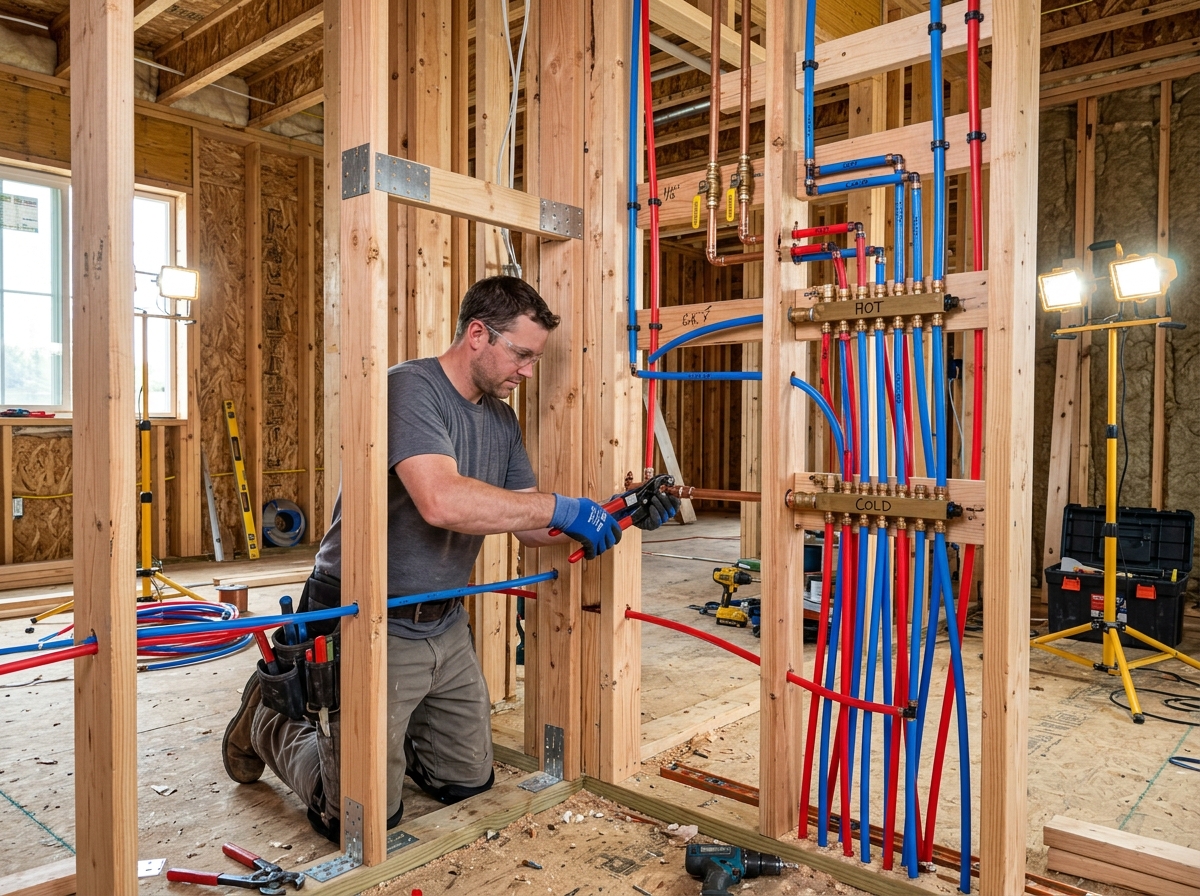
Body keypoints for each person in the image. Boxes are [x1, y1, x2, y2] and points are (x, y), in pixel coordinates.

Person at [220, 275, 678, 839]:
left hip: (443, 622)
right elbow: (441, 501)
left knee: (465, 783)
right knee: (361, 822)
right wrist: (563, 507)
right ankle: (268, 719)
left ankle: (383, 735)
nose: (528, 372)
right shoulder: (409, 390)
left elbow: (533, 531)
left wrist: (614, 517)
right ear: (478, 334)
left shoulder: (501, 420)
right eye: (522, 355)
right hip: (363, 616)